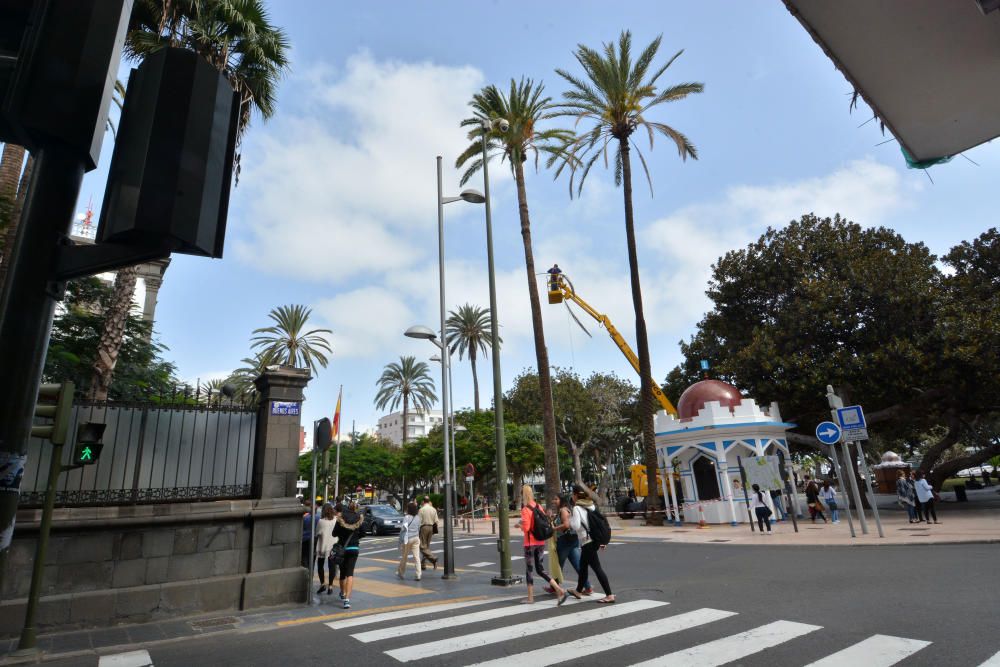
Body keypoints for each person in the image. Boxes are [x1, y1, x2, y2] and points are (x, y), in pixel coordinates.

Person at [517, 485, 571, 604]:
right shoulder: (539, 506)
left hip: (530, 543)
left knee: (529, 570)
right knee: (540, 569)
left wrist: (519, 526)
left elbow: (526, 528)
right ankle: (559, 589)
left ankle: (530, 598)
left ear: (523, 495)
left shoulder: (525, 509)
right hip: (541, 542)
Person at [569, 485, 614, 603]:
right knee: (583, 567)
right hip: (593, 540)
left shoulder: (577, 508)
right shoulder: (591, 505)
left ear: (575, 495)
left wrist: (570, 520)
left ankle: (609, 595)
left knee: (597, 568)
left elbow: (576, 526)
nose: (572, 497)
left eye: (572, 494)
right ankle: (578, 591)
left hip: (587, 541)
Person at [547, 494, 592, 596]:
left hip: (565, 541)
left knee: (557, 565)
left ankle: (554, 587)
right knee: (577, 565)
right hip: (572, 540)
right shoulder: (566, 509)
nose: (554, 501)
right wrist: (550, 518)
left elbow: (566, 525)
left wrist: (554, 529)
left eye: (556, 499)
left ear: (561, 500)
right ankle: (588, 587)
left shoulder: (563, 510)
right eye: (553, 499)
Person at [333, 501, 363, 609]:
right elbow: (363, 533)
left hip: (342, 548)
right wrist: (355, 537)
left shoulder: (341, 519)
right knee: (350, 574)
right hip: (354, 548)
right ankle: (347, 600)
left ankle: (342, 593)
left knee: (342, 573)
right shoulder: (359, 518)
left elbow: (334, 533)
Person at [314, 504, 338, 595]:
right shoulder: (335, 520)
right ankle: (330, 586)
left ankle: (323, 584)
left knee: (320, 565)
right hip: (333, 547)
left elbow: (317, 533)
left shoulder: (321, 521)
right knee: (331, 567)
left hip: (323, 546)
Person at [397, 502, 422, 581]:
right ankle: (418, 574)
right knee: (417, 557)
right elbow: (419, 528)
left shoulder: (406, 517)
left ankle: (401, 572)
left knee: (404, 557)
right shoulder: (418, 517)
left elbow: (403, 529)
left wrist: (400, 540)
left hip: (407, 538)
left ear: (409, 509)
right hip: (416, 538)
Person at [417, 496, 439, 570]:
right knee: (426, 547)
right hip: (431, 528)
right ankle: (423, 564)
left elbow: (418, 522)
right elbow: (436, 521)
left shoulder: (421, 509)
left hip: (424, 527)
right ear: (429, 501)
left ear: (423, 501)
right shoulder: (433, 509)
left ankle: (433, 558)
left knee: (422, 547)